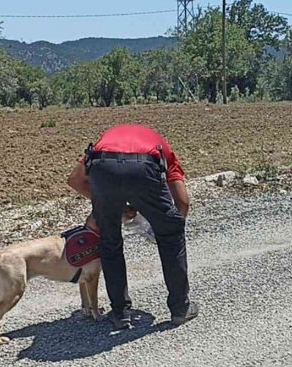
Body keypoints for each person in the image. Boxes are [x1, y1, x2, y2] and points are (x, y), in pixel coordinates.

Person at [67, 124, 199, 329]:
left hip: (103, 165)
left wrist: (108, 204)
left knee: (109, 243)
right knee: (171, 235)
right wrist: (170, 228)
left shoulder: (104, 142)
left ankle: (120, 313)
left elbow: (75, 180)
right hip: (143, 167)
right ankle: (180, 309)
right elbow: (183, 203)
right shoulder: (162, 147)